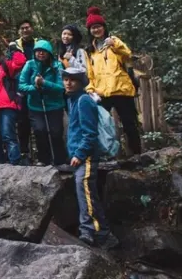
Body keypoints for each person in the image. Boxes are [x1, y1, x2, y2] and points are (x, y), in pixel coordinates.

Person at [62, 64, 119, 250]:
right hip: (78, 155)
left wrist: (79, 153)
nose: (68, 83)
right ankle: (102, 233)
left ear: (80, 83)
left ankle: (90, 232)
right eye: (66, 79)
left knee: (85, 192)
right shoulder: (72, 100)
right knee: (86, 193)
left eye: (73, 80)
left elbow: (89, 132)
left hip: (86, 157)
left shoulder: (84, 101)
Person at [84, 6, 141, 155]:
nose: (96, 30)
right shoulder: (90, 50)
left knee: (129, 123)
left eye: (98, 27)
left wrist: (115, 45)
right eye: (93, 28)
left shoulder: (114, 41)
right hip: (102, 92)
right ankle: (107, 153)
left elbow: (127, 55)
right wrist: (90, 88)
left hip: (121, 89)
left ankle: (137, 154)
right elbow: (90, 74)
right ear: (90, 31)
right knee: (101, 124)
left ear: (104, 27)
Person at [18, 39, 66, 165]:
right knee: (40, 131)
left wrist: (45, 83)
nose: (41, 54)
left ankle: (60, 160)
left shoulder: (57, 66)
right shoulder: (29, 64)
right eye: (38, 51)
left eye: (44, 51)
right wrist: (35, 88)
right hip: (35, 106)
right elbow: (22, 85)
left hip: (55, 105)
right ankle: (44, 160)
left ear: (49, 53)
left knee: (56, 132)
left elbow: (61, 87)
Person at [9, 20, 36, 163]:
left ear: (32, 29)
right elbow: (10, 66)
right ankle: (24, 151)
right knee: (22, 121)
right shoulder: (14, 46)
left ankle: (43, 154)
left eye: (27, 27)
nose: (25, 30)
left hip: (38, 85)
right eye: (22, 28)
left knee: (38, 120)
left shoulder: (38, 43)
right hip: (20, 87)